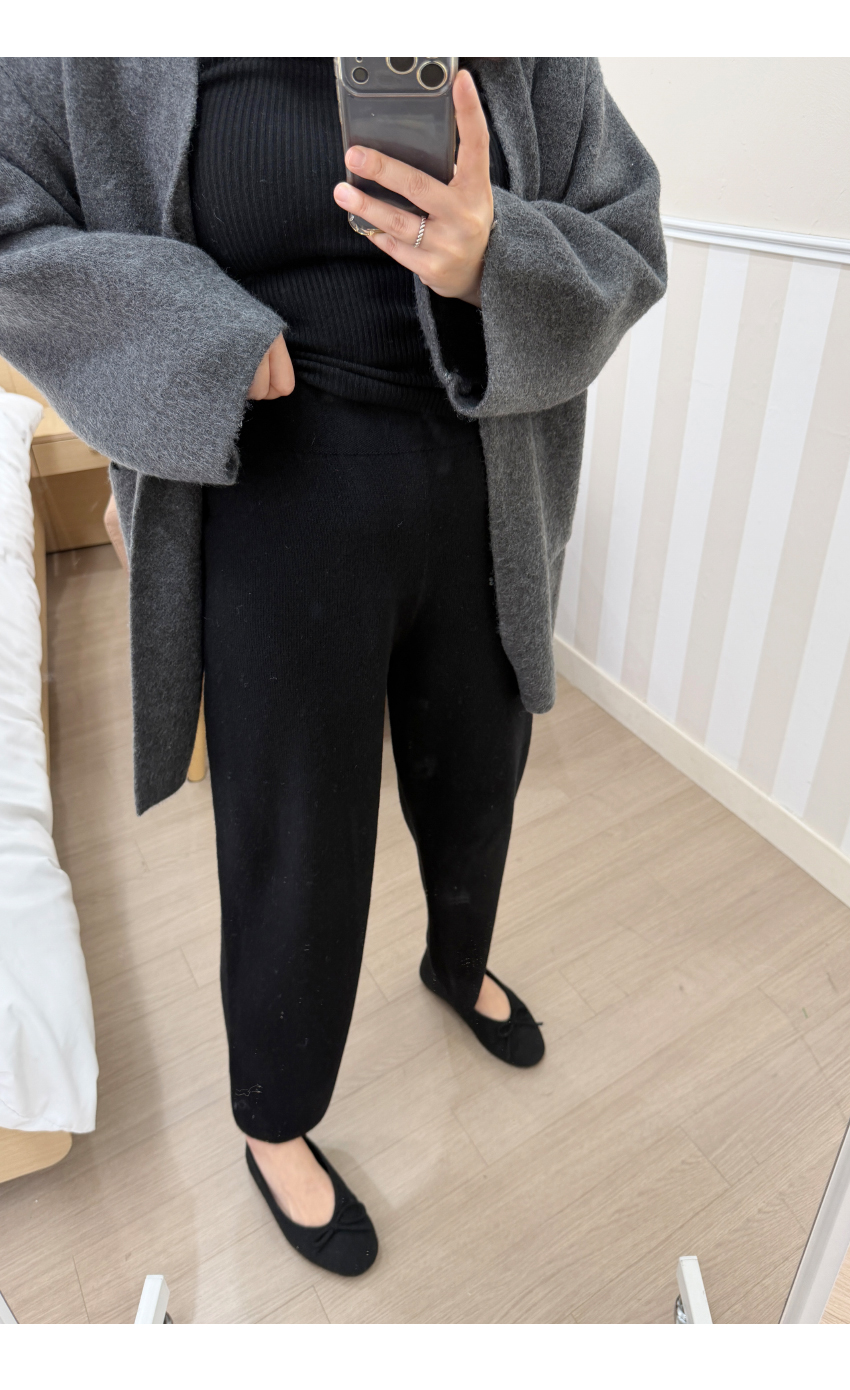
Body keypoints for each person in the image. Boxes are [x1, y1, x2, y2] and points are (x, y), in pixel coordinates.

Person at [0, 57, 666, 1278]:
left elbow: (626, 228)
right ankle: (276, 1114)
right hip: (267, 489)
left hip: (483, 479)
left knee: (479, 773)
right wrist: (192, 335)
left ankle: (457, 963)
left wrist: (496, 256)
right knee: (294, 838)